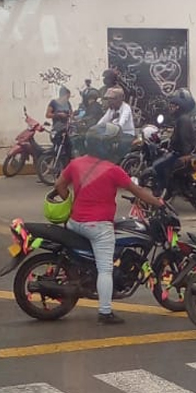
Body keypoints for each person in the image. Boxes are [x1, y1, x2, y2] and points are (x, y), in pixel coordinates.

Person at [50, 135, 165, 325]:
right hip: (98, 227)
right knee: (105, 269)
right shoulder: (113, 170)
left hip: (74, 223)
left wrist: (70, 202)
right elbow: (138, 192)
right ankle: (105, 311)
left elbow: (59, 185)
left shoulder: (76, 164)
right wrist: (158, 203)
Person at [152, 89, 196, 194]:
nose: (170, 108)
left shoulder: (182, 120)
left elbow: (184, 138)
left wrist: (185, 154)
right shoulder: (183, 118)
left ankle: (163, 190)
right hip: (185, 151)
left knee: (157, 165)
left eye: (173, 106)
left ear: (179, 107)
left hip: (179, 153)